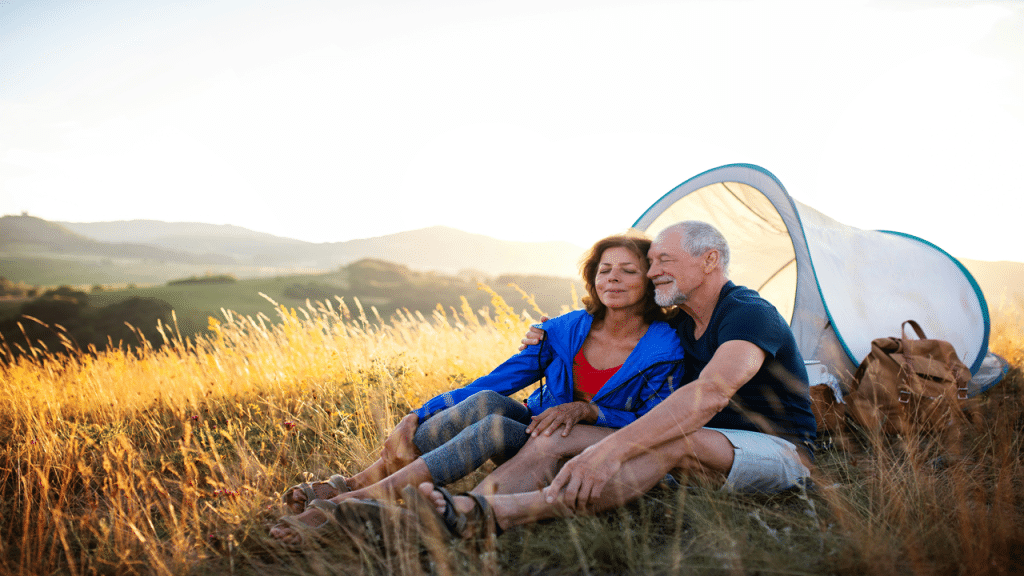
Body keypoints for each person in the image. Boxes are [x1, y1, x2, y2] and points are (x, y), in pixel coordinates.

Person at [407, 220, 817, 538]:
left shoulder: (748, 313)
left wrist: (609, 450)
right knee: (554, 437)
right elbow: (619, 322)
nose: (653, 271)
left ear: (709, 260)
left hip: (779, 452)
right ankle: (464, 511)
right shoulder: (680, 323)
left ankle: (503, 513)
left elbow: (709, 394)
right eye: (651, 262)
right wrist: (546, 332)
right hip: (708, 452)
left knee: (672, 438)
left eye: (664, 261)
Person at [270, 234, 687, 545]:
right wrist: (417, 414)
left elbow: (660, 420)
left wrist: (589, 411)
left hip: (603, 448)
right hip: (541, 433)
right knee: (488, 405)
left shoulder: (664, 347)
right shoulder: (564, 330)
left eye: (628, 271)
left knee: (495, 427)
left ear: (649, 281)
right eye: (604, 270)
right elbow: (494, 382)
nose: (613, 279)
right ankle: (358, 485)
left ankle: (351, 505)